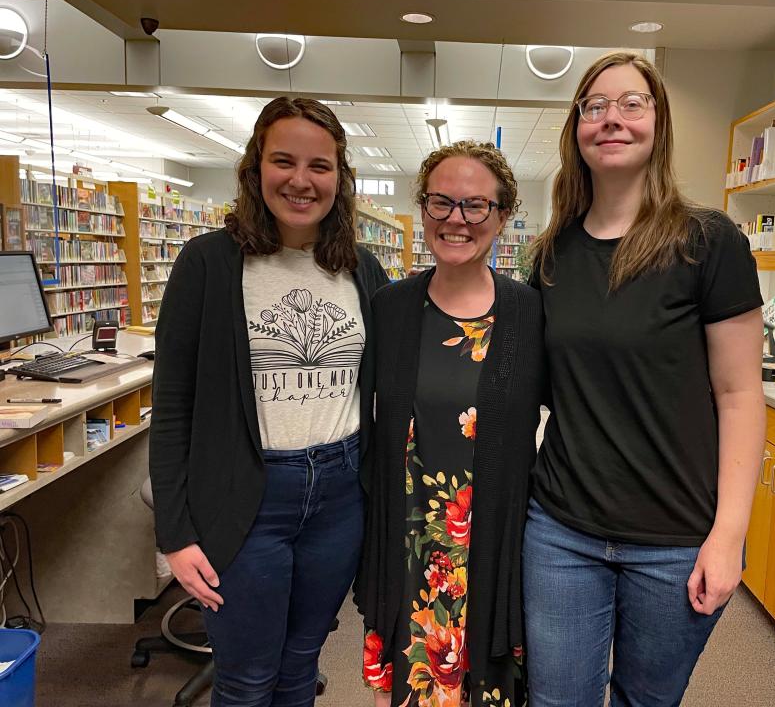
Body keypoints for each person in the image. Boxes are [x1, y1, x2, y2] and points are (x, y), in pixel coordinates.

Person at [524, 51, 766, 706]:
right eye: (594, 106)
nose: (612, 119)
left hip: (675, 540)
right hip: (561, 532)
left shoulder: (707, 242)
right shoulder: (551, 254)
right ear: (578, 127)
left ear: (658, 122)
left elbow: (741, 396)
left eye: (632, 103)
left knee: (646, 701)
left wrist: (729, 537)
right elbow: (530, 388)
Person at [149, 96, 388, 707]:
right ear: (256, 169)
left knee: (300, 667)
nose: (301, 181)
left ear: (340, 177)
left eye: (320, 166)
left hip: (339, 495)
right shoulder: (207, 263)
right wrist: (175, 534)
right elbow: (173, 407)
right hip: (247, 499)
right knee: (248, 678)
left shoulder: (361, 267)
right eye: (284, 161)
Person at [356, 141, 545, 707]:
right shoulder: (389, 309)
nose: (455, 219)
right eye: (440, 202)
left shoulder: (530, 315)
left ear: (502, 216)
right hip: (410, 551)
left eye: (475, 205)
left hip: (494, 549)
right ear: (422, 210)